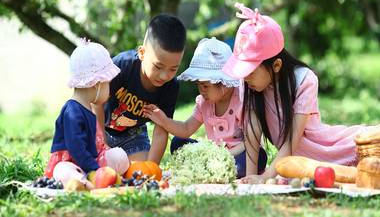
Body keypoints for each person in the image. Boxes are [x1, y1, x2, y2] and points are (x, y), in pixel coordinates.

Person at [222, 2, 378, 183]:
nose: (245, 77)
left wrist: (264, 177)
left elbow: (290, 142)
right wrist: (251, 177)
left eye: (250, 71)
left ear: (277, 65)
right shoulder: (249, 83)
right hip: (296, 164)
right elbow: (252, 132)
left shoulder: (304, 80)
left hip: (329, 151)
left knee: (370, 157)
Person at [143, 37, 267, 178]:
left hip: (239, 153)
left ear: (223, 84)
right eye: (198, 85)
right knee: (178, 143)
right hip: (213, 156)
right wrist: (164, 121)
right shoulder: (204, 103)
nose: (201, 90)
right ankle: (208, 169)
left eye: (206, 86)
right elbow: (185, 129)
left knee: (255, 159)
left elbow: (250, 141)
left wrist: (225, 155)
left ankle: (205, 170)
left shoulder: (241, 100)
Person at [93, 14, 187, 164]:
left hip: (133, 136)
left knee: (137, 171)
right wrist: (102, 143)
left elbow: (161, 130)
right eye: (158, 66)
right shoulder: (122, 66)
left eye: (173, 69)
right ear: (142, 53)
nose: (164, 76)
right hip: (100, 128)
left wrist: (151, 168)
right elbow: (96, 102)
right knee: (97, 165)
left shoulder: (171, 87)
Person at [44, 40, 130, 188]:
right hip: (73, 163)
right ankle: (83, 183)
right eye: (108, 83)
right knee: (63, 172)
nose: (110, 89)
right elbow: (76, 148)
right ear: (96, 84)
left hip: (93, 161)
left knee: (120, 156)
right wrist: (95, 171)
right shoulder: (72, 112)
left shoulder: (88, 107)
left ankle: (94, 180)